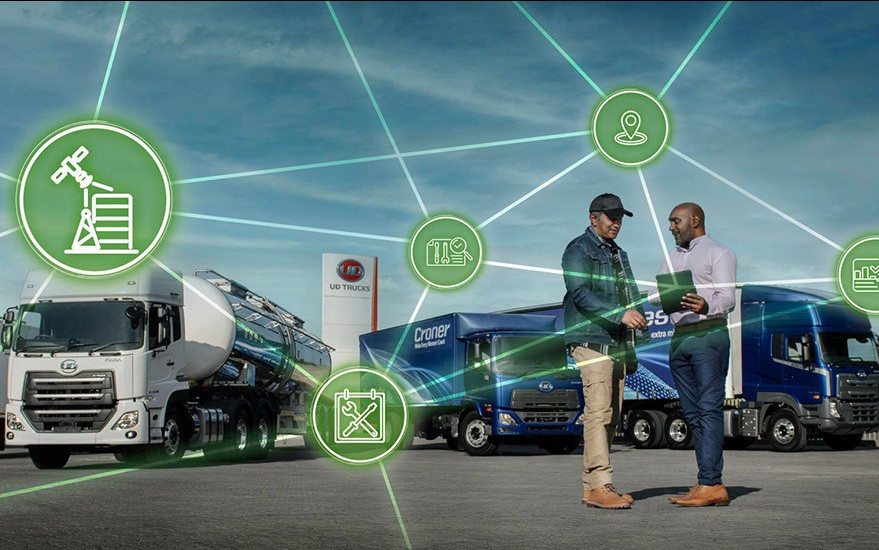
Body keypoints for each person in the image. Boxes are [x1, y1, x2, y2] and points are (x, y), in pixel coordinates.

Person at [562, 193, 647, 510]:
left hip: (616, 343)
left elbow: (630, 295)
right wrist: (620, 314)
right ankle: (601, 484)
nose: (617, 223)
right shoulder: (578, 249)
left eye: (620, 218)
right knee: (598, 413)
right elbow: (580, 292)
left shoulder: (618, 254)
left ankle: (592, 488)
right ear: (593, 218)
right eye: (612, 217)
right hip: (590, 339)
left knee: (611, 416)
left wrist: (634, 343)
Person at [650, 202, 737, 507]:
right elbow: (654, 294)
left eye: (676, 221)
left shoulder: (719, 253)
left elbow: (728, 298)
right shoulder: (672, 257)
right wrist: (663, 296)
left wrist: (706, 305)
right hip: (680, 338)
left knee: (708, 409)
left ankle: (712, 483)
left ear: (695, 220)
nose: (671, 227)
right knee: (691, 412)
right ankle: (706, 480)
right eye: (670, 222)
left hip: (708, 334)